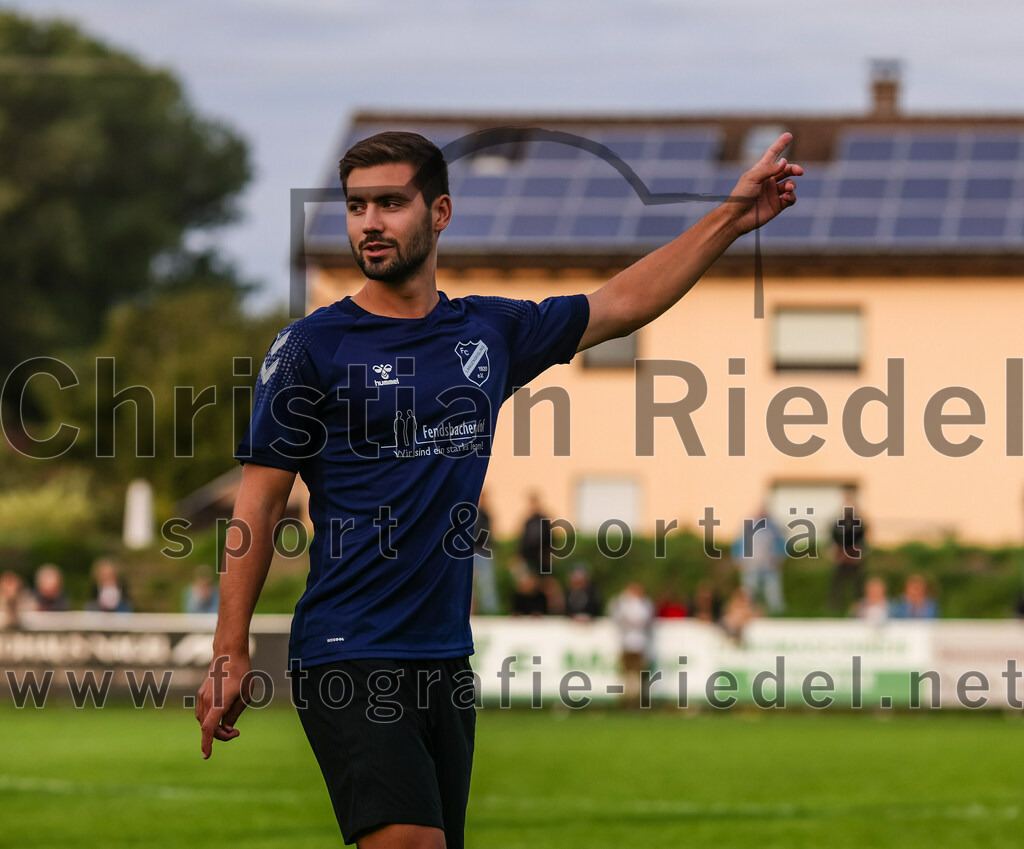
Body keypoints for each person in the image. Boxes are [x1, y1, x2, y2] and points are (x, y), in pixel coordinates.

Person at [196, 129, 802, 848]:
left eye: (391, 203)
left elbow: (620, 303)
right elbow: (259, 503)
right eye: (357, 207)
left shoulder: (488, 332)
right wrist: (229, 648)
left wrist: (731, 217)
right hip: (348, 646)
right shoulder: (310, 347)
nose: (370, 223)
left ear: (440, 212)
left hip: (445, 657)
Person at [730, 505, 786, 614]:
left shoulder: (773, 527)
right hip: (751, 565)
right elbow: (738, 543)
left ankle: (776, 613)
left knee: (773, 592)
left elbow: (782, 543)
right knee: (749, 591)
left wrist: (780, 557)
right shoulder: (748, 526)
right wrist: (737, 558)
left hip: (769, 565)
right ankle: (749, 612)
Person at [609, 582, 655, 708]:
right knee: (627, 675)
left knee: (638, 675)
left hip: (640, 645)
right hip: (626, 644)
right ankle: (627, 700)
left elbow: (641, 620)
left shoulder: (645, 604)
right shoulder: (623, 603)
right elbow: (617, 615)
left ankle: (636, 701)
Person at [829, 486, 868, 613]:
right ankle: (835, 609)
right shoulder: (839, 520)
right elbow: (834, 537)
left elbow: (862, 537)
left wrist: (858, 553)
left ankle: (859, 608)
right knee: (837, 585)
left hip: (854, 557)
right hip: (842, 557)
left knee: (859, 585)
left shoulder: (858, 520)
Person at [470, 491, 499, 615]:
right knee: (470, 585)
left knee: (487, 584)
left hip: (482, 551)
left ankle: (489, 611)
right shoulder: (469, 512)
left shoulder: (485, 515)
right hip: (470, 552)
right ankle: (472, 611)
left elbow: (487, 534)